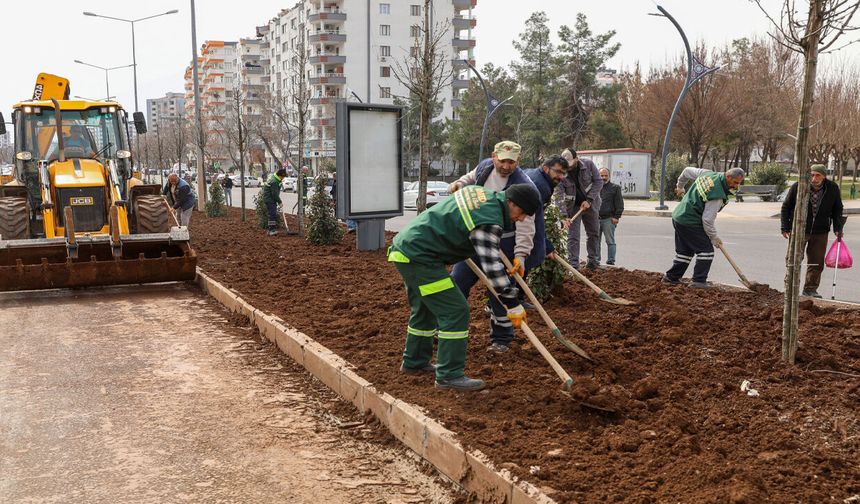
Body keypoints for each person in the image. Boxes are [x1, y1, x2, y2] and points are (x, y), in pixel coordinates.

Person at [387, 184, 540, 391]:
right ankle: (449, 375)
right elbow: (492, 267)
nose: (521, 219)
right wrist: (512, 302)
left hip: (407, 249)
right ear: (511, 203)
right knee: (455, 310)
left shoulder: (482, 193)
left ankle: (415, 362)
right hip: (421, 257)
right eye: (522, 213)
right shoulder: (488, 221)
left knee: (425, 308)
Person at [448, 141, 539, 354]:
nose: (506, 166)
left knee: (499, 291)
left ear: (518, 161)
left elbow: (526, 223)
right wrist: (459, 184)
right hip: (474, 236)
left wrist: (521, 254)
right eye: (503, 160)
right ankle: (445, 325)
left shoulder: (523, 184)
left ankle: (502, 338)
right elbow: (469, 178)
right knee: (457, 281)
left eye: (512, 162)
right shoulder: (485, 167)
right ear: (494, 156)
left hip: (504, 240)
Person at [662, 167, 745, 288]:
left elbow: (686, 171)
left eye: (739, 183)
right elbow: (707, 220)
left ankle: (671, 277)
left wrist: (680, 186)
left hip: (679, 217)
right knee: (706, 251)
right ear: (728, 177)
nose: (737, 186)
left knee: (685, 252)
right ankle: (698, 281)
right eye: (735, 182)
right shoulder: (717, 194)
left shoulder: (708, 174)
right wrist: (714, 237)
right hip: (690, 221)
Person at [780, 164, 845, 298]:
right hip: (799, 229)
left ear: (824, 176)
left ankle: (810, 289)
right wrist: (785, 227)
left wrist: (838, 228)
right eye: (812, 175)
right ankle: (790, 287)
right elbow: (786, 207)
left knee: (816, 262)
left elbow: (837, 209)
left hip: (821, 231)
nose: (814, 178)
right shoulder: (799, 186)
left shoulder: (832, 188)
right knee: (793, 259)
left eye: (818, 175)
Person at [555, 149, 603, 270]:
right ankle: (573, 266)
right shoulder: (561, 172)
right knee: (573, 236)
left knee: (593, 233)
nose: (568, 167)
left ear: (577, 159)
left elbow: (598, 182)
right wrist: (563, 216)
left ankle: (592, 262)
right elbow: (559, 195)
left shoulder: (588, 165)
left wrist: (590, 200)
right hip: (573, 207)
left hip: (590, 204)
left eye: (570, 163)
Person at [524, 155, 569, 265]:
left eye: (563, 173)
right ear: (545, 168)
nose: (561, 176)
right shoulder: (541, 186)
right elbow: (535, 219)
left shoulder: (532, 172)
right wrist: (546, 246)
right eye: (558, 172)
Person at [597, 168, 624, 266]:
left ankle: (611, 260)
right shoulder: (595, 188)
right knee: (596, 241)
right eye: (601, 175)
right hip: (596, 219)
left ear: (609, 176)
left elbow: (620, 204)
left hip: (609, 219)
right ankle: (596, 259)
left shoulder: (615, 188)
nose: (603, 177)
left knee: (610, 241)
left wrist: (617, 217)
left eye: (605, 175)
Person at [262, 168, 285, 236]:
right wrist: (280, 202)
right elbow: (274, 194)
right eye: (283, 177)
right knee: (272, 214)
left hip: (269, 199)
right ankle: (271, 230)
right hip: (270, 199)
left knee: (271, 214)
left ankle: (270, 230)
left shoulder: (274, 177)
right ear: (280, 175)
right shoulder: (274, 181)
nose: (283, 178)